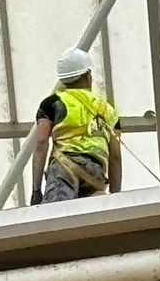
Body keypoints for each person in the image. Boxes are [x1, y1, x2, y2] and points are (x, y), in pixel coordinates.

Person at [29, 46, 123, 205]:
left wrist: (36, 190)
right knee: (93, 223)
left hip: (63, 169)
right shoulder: (107, 110)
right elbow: (115, 157)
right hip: (95, 174)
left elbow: (41, 143)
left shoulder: (52, 104)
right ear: (87, 75)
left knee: (55, 219)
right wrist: (116, 198)